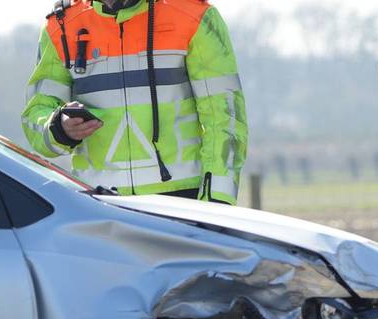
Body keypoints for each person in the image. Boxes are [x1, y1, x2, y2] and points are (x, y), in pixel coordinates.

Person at [22, 0, 248, 204]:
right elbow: (35, 115)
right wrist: (58, 127)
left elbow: (225, 119)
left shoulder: (194, 16)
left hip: (183, 201)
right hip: (97, 205)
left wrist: (216, 203)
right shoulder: (60, 27)